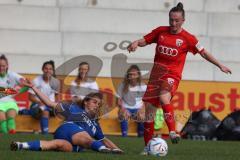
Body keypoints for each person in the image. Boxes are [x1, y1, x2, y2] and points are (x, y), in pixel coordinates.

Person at [127, 2, 232, 154]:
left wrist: (220, 65)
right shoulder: (161, 31)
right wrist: (137, 42)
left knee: (164, 97)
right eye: (171, 20)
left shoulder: (188, 38)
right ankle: (148, 147)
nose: (173, 23)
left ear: (183, 20)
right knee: (148, 115)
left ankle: (172, 131)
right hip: (156, 76)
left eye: (177, 20)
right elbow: (146, 40)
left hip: (172, 76)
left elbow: (203, 52)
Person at [11, 80, 123, 154]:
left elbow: (104, 139)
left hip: (73, 145)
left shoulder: (96, 124)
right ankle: (102, 149)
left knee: (57, 144)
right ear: (85, 102)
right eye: (94, 102)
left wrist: (118, 149)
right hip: (67, 130)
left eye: (98, 104)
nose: (96, 106)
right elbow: (49, 103)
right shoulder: (73, 108)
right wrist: (34, 88)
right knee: (86, 137)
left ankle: (21, 145)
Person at [29, 60, 60, 134]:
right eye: (46, 68)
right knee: (45, 110)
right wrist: (40, 102)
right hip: (37, 106)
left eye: (50, 69)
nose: (48, 71)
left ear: (53, 71)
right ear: (42, 69)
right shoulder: (36, 81)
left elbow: (57, 97)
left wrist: (57, 106)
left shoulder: (56, 82)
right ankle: (45, 134)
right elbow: (30, 97)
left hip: (50, 106)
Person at [117, 65, 146, 137]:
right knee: (123, 114)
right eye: (130, 74)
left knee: (142, 116)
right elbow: (118, 101)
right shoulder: (122, 85)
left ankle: (141, 135)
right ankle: (124, 136)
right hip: (126, 108)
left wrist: (142, 110)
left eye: (134, 74)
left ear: (138, 75)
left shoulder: (143, 86)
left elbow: (146, 101)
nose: (132, 76)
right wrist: (123, 109)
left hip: (138, 109)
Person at [0, 54, 25, 134]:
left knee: (11, 119)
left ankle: (11, 136)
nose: (1, 68)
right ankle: (4, 136)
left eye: (3, 66)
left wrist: (19, 89)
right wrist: (13, 91)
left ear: (7, 66)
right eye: (0, 66)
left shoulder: (12, 74)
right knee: (2, 120)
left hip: (10, 102)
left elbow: (27, 84)